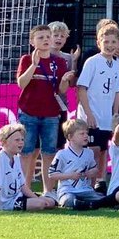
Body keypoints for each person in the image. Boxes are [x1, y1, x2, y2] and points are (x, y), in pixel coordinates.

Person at [16, 24, 74, 196]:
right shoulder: (26, 59)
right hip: (28, 113)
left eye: (47, 37)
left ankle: (48, 191)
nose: (46, 40)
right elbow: (21, 84)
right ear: (32, 42)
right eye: (41, 37)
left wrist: (65, 80)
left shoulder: (60, 62)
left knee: (49, 153)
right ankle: (23, 189)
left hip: (51, 114)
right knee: (26, 153)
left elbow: (62, 90)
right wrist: (34, 65)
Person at [74, 20, 119, 192]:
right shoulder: (92, 62)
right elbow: (81, 89)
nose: (110, 45)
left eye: (113, 42)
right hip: (92, 116)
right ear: (98, 42)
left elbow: (117, 92)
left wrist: (116, 116)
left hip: (106, 118)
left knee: (103, 150)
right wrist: (88, 114)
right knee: (93, 150)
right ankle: (86, 186)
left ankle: (100, 183)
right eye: (106, 42)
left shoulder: (117, 64)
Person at [0, 124, 56, 213]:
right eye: (17, 140)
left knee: (50, 202)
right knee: (40, 204)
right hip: (7, 203)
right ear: (4, 142)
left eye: (22, 140)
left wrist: (38, 198)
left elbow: (23, 186)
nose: (21, 142)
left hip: (18, 196)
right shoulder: (0, 160)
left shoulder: (16, 158)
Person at [48, 119, 104, 211]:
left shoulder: (89, 153)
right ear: (70, 137)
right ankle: (81, 204)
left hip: (86, 190)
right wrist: (70, 176)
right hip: (67, 190)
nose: (86, 136)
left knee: (102, 200)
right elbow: (52, 174)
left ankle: (83, 204)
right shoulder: (62, 154)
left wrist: (90, 172)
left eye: (86, 133)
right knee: (68, 200)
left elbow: (95, 169)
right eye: (82, 134)